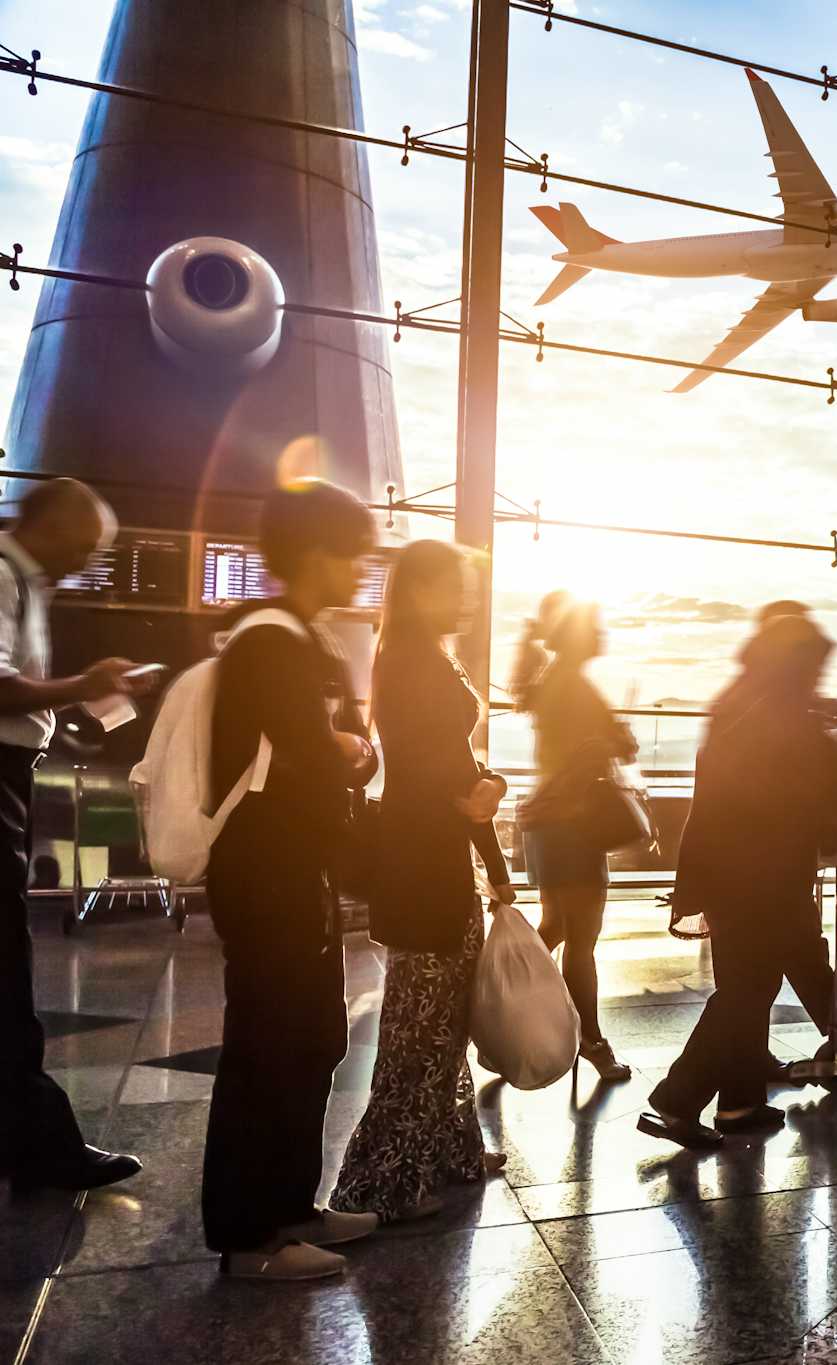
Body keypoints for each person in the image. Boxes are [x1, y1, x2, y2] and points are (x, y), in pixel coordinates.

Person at [644, 614, 837, 1149]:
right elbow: (800, 776)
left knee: (748, 986)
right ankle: (676, 1100)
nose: (817, 678)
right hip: (757, 874)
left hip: (737, 871)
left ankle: (738, 1103)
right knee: (746, 991)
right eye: (814, 666)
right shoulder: (769, 711)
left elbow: (794, 765)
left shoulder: (748, 699)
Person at [202, 479, 381, 1281]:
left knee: (314, 1036)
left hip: (293, 868)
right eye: (353, 552)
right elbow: (317, 753)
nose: (361, 568)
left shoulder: (302, 639)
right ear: (318, 552)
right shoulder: (268, 640)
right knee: (267, 1046)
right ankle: (248, 1236)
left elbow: (345, 747)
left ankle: (292, 1207)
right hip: (264, 869)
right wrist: (345, 751)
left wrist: (349, 751)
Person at [330, 541, 513, 1225]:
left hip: (431, 855)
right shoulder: (412, 661)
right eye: (454, 587)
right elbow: (438, 771)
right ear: (418, 590)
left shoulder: (420, 655)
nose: (466, 599)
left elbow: (457, 768)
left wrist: (487, 800)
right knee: (421, 1022)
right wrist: (481, 797)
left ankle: (445, 1150)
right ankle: (386, 1177)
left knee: (439, 1017)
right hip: (422, 861)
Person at [0, 478, 153, 1192]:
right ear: (49, 522)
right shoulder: (3, 575)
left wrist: (74, 703)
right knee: (4, 960)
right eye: (86, 542)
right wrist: (79, 684)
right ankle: (39, 1143)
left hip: (12, 771)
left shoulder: (28, 585)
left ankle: (31, 1136)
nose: (90, 558)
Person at [516, 596, 637, 1082]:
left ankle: (504, 1015)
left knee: (557, 927)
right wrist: (615, 738)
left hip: (552, 824)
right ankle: (590, 1039)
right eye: (596, 626)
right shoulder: (576, 687)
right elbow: (616, 747)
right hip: (574, 827)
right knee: (582, 938)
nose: (602, 633)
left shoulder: (553, 683)